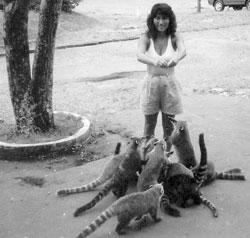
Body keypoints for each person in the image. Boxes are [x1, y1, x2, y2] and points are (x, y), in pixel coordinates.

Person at [137, 3, 186, 151]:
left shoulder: (174, 36)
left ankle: (165, 158)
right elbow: (139, 55)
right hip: (151, 83)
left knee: (168, 127)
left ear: (170, 20)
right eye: (157, 18)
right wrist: (154, 60)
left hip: (170, 84)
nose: (161, 22)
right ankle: (147, 158)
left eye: (164, 18)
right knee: (149, 126)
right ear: (152, 19)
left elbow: (183, 50)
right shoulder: (146, 37)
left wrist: (176, 59)